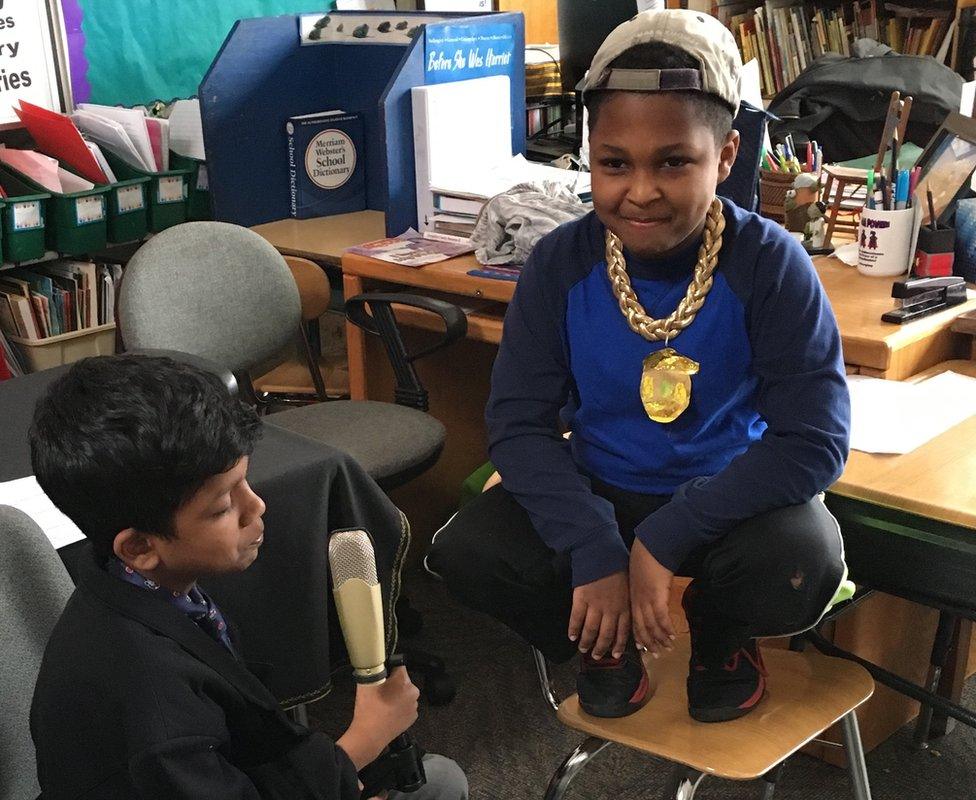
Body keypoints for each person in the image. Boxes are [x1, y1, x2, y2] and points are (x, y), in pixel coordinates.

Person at [427, 9, 850, 723]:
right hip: (603, 484)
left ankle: (722, 636)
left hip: (727, 497)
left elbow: (814, 441)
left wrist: (665, 536)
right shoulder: (560, 263)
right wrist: (595, 547)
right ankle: (606, 637)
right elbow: (518, 425)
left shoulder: (771, 264)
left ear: (726, 155)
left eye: (674, 161)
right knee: (467, 551)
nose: (641, 190)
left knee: (803, 558)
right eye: (613, 162)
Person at [29, 354, 468, 799]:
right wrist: (363, 741)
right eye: (222, 507)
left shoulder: (142, 586)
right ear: (140, 547)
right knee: (443, 786)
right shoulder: (157, 716)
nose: (256, 506)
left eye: (246, 480)